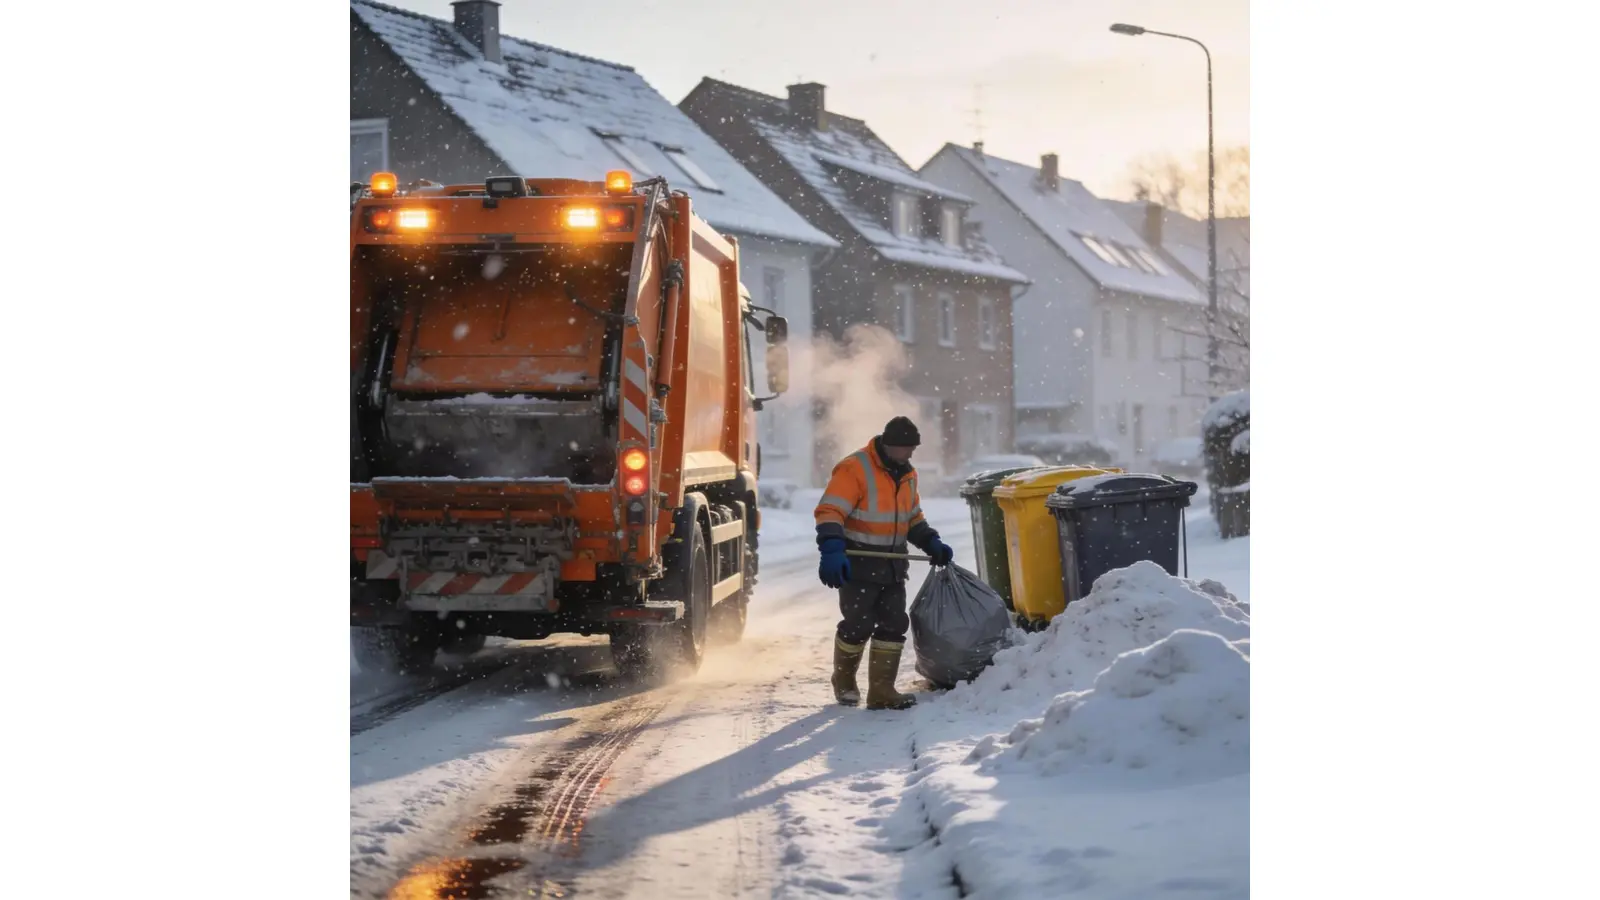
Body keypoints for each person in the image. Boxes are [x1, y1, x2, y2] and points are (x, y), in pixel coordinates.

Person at [814, 416, 953, 710]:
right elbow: (830, 511)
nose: (910, 455)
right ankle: (844, 680)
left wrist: (930, 541)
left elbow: (912, 517)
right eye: (906, 449)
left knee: (894, 623)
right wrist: (832, 549)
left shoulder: (908, 474)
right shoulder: (855, 468)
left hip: (893, 564)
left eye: (913, 449)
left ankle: (881, 691)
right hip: (859, 561)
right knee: (858, 624)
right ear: (889, 445)